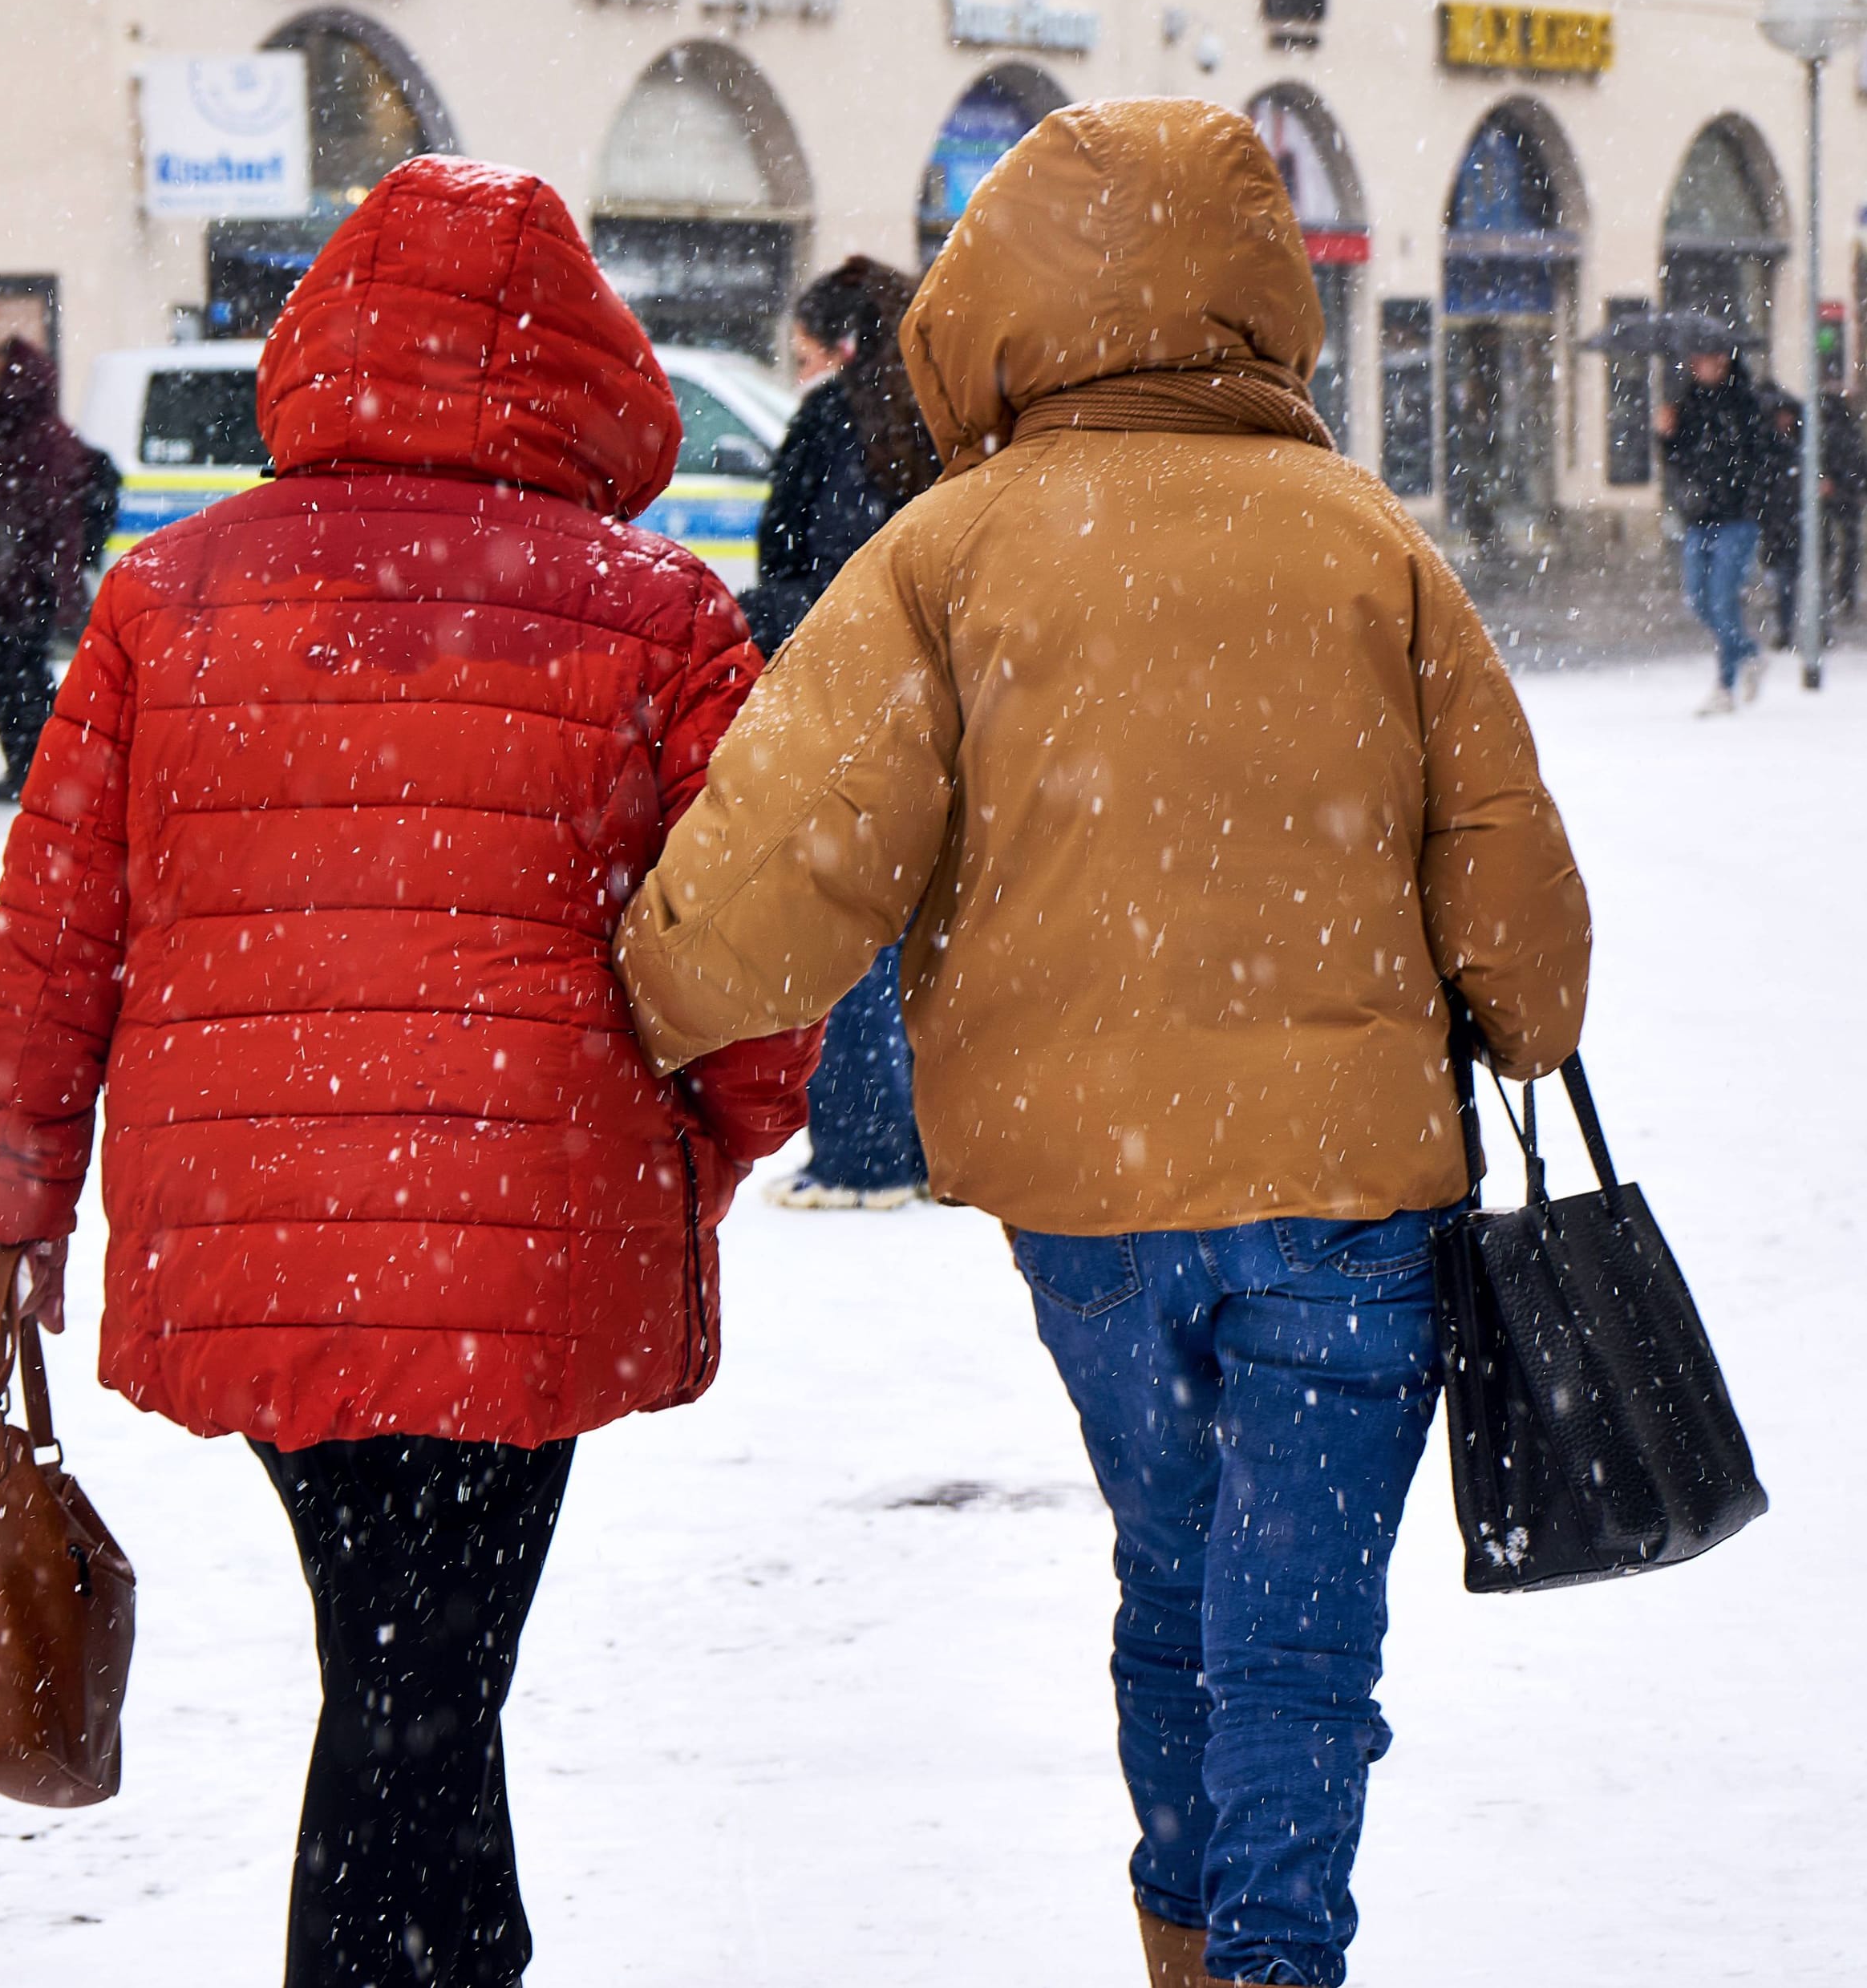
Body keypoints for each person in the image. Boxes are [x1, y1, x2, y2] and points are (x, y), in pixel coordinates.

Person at [614, 99, 1591, 1988]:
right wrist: (1528, 1020)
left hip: (1091, 1197)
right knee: (1296, 1639)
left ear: (1000, 304)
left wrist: (647, 1001)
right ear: (1252, 298)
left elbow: (797, 866)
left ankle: (1183, 1941)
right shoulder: (1371, 544)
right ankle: (1276, 1955)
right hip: (1351, 1185)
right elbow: (1513, 891)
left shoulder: (949, 552)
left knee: (1172, 1576)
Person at [0, 158, 820, 1988]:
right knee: (429, 1675)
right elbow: (765, 950)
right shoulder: (653, 613)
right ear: (589, 363)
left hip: (249, 1229)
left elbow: (55, 929)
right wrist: (694, 1152)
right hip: (529, 1231)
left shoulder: (164, 602)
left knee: (403, 1664)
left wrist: (16, 1178)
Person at [740, 259, 938, 1211]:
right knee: (940, 918)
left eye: (804, 353)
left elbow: (783, 554)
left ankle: (864, 1149)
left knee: (852, 919)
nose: (800, 370)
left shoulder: (830, 421)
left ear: (838, 347)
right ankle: (944, 1138)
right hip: (955, 694)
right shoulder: (955, 414)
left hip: (850, 690)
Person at [0, 337, 91, 800]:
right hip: (9, 574)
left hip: (24, 577)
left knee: (21, 676)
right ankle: (26, 769)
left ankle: (36, 769)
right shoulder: (0, 428)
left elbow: (35, 507)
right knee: (11, 676)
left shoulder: (34, 436)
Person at [1655, 348, 1766, 712]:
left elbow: (1763, 455)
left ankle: (1726, 685)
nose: (1702, 365)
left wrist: (1750, 496)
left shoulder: (1745, 403)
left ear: (1726, 361)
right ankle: (1749, 652)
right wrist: (1666, 435)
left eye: (1710, 358)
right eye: (1698, 359)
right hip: (1699, 518)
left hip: (1737, 518)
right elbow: (1677, 460)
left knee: (1723, 599)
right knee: (1700, 601)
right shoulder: (1688, 405)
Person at [1749, 380, 1801, 648]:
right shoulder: (1771, 449)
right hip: (1776, 521)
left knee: (1789, 578)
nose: (1786, 420)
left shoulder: (1798, 448)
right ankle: (1784, 626)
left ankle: (1788, 628)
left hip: (1793, 521)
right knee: (1781, 577)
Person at [1817, 383, 1867, 620]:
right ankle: (1844, 593)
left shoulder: (1824, 433)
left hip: (1834, 496)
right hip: (1849, 495)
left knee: (1828, 548)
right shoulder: (1851, 432)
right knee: (1848, 548)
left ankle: (1830, 593)